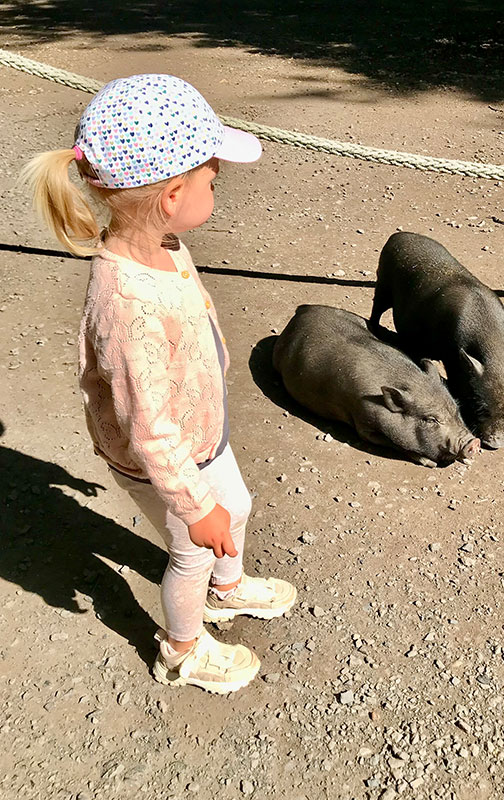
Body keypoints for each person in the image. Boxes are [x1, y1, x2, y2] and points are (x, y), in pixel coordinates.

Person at [22, 73, 297, 693]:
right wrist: (196, 507)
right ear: (173, 194)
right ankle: (183, 648)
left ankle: (226, 591)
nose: (216, 182)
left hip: (200, 431)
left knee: (240, 506)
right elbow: (149, 430)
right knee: (193, 548)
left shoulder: (162, 240)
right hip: (164, 458)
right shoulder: (127, 306)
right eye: (211, 176)